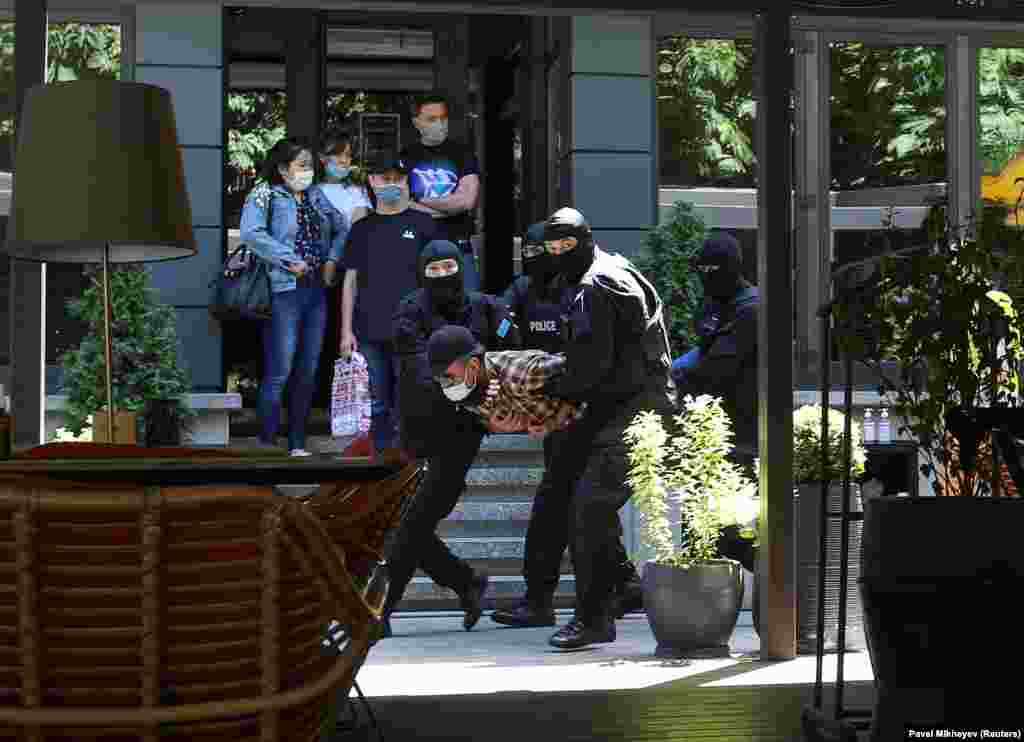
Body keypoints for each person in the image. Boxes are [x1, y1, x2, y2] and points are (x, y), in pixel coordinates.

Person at [490, 223, 643, 629]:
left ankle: (568, 596)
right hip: (562, 406)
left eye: (556, 248)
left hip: (583, 405)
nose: (547, 257)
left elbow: (592, 358)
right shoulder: (526, 290)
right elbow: (499, 325)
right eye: (542, 248)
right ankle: (616, 585)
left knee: (573, 505)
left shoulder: (585, 287)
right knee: (570, 504)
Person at [539, 207, 676, 650]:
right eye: (552, 245)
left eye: (566, 244)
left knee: (588, 509)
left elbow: (592, 366)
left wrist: (549, 384)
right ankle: (625, 588)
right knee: (585, 500)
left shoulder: (597, 285)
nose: (559, 252)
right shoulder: (610, 269)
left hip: (635, 411)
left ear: (585, 238)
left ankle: (595, 618)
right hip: (630, 406)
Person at [383, 240, 519, 637]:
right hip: (417, 429)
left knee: (414, 522)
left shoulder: (487, 308)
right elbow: (417, 367)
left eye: (449, 268)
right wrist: (462, 383)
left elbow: (511, 348)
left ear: (461, 267)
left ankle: (381, 610)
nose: (443, 277)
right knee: (411, 523)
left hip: (461, 435)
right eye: (434, 270)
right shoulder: (410, 310)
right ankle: (465, 581)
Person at [239, 136, 349, 456]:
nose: (308, 172)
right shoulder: (264, 193)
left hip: (315, 291)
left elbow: (341, 227)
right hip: (282, 290)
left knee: (308, 369)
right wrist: (289, 260)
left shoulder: (315, 195)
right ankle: (268, 442)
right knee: (280, 370)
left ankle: (298, 443)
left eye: (310, 166)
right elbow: (252, 234)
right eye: (302, 166)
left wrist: (331, 259)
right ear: (283, 168)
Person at [339, 153, 440, 457]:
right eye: (385, 179)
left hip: (413, 330)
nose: (391, 184)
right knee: (376, 403)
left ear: (406, 182)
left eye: (397, 179)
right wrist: (345, 331)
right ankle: (382, 466)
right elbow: (349, 282)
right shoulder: (362, 228)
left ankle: (408, 467)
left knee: (410, 401)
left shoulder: (425, 224)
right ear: (372, 181)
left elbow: (437, 278)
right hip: (368, 330)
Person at [673, 232, 759, 478]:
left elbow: (714, 369)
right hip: (708, 432)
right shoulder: (713, 303)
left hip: (741, 437)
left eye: (712, 270)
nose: (705, 278)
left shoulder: (751, 309)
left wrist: (673, 378)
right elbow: (703, 349)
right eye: (702, 270)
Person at [426, 324, 584, 435]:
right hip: (562, 433)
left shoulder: (524, 373)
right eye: (438, 379)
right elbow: (483, 415)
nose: (444, 385)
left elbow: (586, 368)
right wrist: (495, 426)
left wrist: (555, 421)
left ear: (473, 365)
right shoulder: (467, 388)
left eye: (447, 377)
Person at [401, 92, 482, 292]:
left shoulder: (463, 154)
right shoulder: (405, 157)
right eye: (432, 119)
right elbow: (401, 204)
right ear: (417, 123)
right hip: (417, 249)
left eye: (443, 118)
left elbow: (466, 202)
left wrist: (419, 199)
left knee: (468, 310)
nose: (440, 124)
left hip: (458, 246)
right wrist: (448, 208)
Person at [317, 128, 371, 226]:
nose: (344, 160)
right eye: (337, 154)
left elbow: (358, 228)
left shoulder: (357, 191)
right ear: (322, 157)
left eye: (348, 155)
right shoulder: (310, 192)